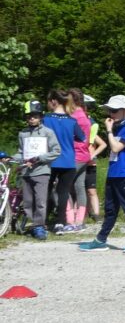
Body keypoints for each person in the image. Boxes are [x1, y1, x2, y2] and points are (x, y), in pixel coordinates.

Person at [78, 95, 125, 254]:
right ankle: (101, 240)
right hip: (114, 172)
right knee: (110, 209)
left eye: (114, 110)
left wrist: (108, 130)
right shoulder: (119, 127)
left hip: (124, 173)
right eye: (109, 110)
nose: (110, 114)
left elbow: (115, 148)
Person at [9, 101, 61, 240]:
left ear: (40, 116)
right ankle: (32, 224)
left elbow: (56, 151)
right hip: (26, 172)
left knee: (40, 201)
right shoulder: (23, 134)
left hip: (42, 171)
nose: (32, 118)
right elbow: (21, 152)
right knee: (27, 201)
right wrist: (11, 158)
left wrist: (39, 158)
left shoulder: (48, 132)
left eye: (35, 115)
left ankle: (39, 226)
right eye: (29, 116)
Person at [42, 89, 84, 234]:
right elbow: (82, 138)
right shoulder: (72, 121)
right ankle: (60, 222)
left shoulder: (45, 119)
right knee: (63, 192)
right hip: (68, 162)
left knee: (45, 191)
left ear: (53, 101)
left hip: (50, 161)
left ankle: (43, 220)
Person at [66, 88, 93, 231]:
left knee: (63, 187)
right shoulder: (84, 115)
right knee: (80, 187)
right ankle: (80, 220)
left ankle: (70, 220)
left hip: (75, 156)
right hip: (84, 156)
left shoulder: (74, 117)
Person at [82, 95, 107, 222]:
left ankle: (96, 214)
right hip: (77, 162)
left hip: (90, 163)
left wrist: (92, 154)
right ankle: (82, 213)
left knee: (91, 190)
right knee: (77, 190)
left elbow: (102, 143)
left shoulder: (91, 123)